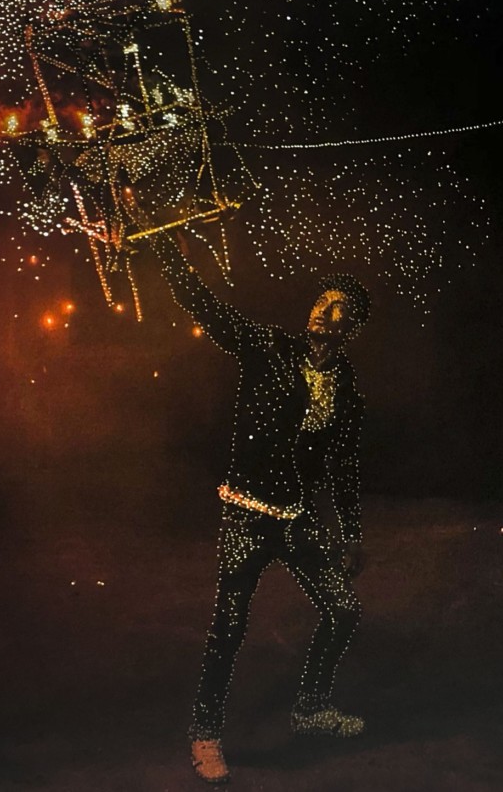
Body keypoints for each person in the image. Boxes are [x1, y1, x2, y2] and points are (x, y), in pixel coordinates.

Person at [148, 231, 370, 785]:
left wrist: (351, 533)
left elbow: (344, 464)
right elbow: (206, 307)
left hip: (296, 518)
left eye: (336, 308)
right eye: (320, 301)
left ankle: (310, 707)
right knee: (229, 624)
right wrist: (167, 250)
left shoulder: (345, 384)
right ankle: (205, 734)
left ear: (351, 326)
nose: (322, 310)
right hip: (247, 513)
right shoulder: (268, 346)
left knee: (344, 609)